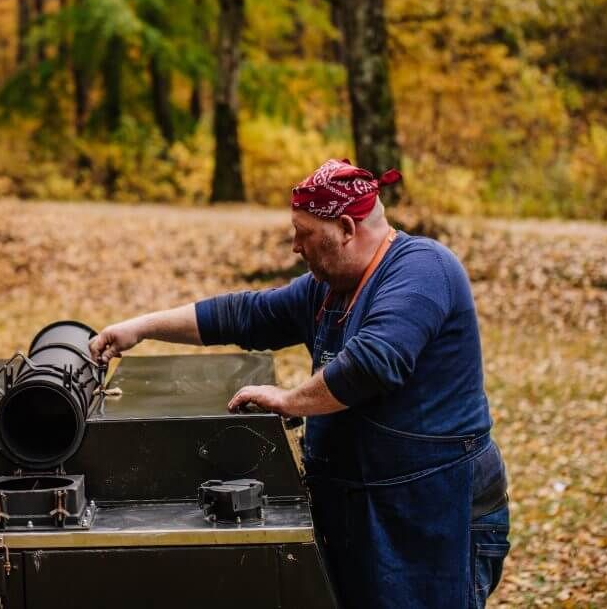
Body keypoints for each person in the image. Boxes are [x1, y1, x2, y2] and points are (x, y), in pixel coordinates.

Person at [88, 159, 510, 609]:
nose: (295, 247)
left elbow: (373, 363)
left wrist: (289, 401)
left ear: (346, 227)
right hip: (366, 509)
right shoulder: (327, 288)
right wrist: (142, 327)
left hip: (433, 512)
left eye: (303, 233)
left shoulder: (423, 271)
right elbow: (244, 314)